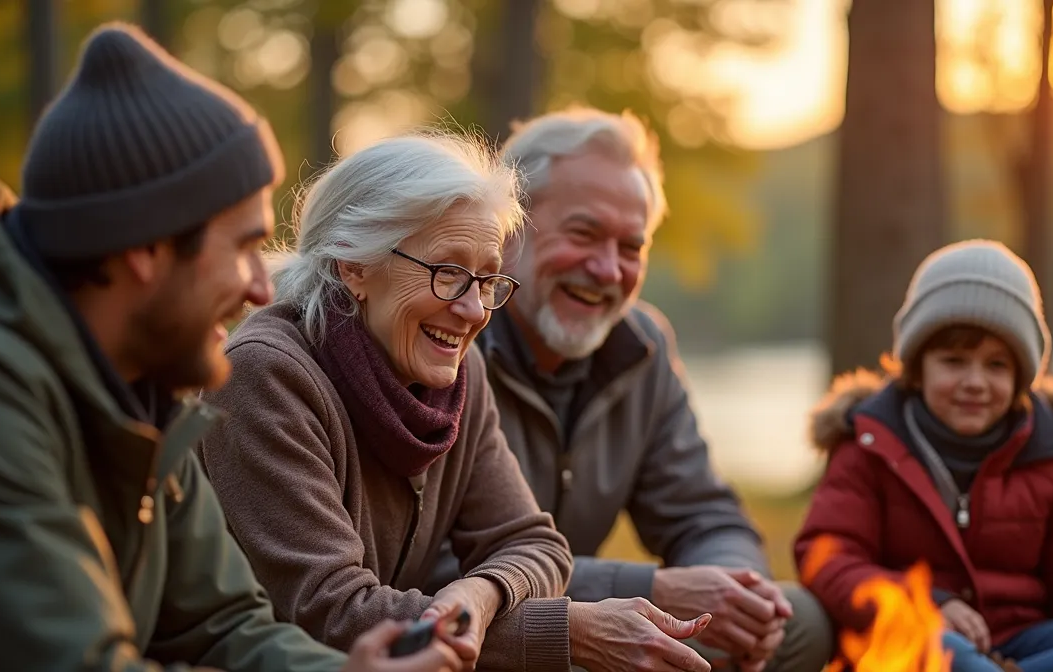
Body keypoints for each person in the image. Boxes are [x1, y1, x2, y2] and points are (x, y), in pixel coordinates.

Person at [0, 22, 464, 672]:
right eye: (242, 248)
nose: (263, 288)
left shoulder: (147, 390)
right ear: (145, 247)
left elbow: (223, 626)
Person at [197, 130, 715, 672]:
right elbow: (331, 612)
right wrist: (566, 632)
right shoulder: (265, 373)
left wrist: (482, 593)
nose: (474, 311)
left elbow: (535, 543)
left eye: (488, 279)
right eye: (448, 274)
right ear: (353, 264)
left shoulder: (459, 372)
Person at [425, 106, 834, 672]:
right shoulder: (447, 341)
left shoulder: (643, 347)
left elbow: (704, 513)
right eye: (584, 233)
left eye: (631, 248)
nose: (607, 270)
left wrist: (739, 593)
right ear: (510, 229)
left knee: (800, 621)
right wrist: (653, 589)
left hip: (606, 630)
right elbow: (433, 565)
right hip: (496, 637)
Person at [794, 240, 1053, 672]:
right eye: (954, 361)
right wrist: (927, 605)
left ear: (1022, 377)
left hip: (1023, 643)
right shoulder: (867, 445)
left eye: (996, 366)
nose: (975, 382)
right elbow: (829, 561)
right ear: (917, 368)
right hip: (913, 641)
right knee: (953, 659)